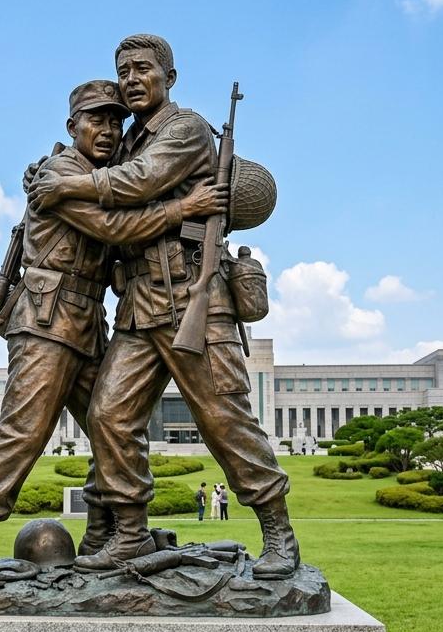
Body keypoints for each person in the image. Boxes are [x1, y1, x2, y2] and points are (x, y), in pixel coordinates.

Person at [29, 34, 299, 578]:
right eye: (123, 69)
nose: (131, 78)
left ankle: (279, 534)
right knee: (109, 415)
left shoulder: (185, 130)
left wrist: (66, 185)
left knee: (224, 419)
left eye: (142, 69)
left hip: (194, 299)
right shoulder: (125, 142)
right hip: (138, 304)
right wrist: (53, 177)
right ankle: (129, 534)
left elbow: (140, 183)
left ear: (168, 78)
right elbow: (113, 208)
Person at [0, 79, 226, 588]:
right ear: (72, 126)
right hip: (47, 322)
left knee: (111, 426)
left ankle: (104, 537)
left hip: (89, 321)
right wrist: (185, 208)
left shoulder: (100, 175)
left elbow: (132, 198)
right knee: (23, 433)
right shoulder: (59, 173)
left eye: (117, 121)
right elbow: (115, 229)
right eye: (96, 119)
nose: (109, 129)